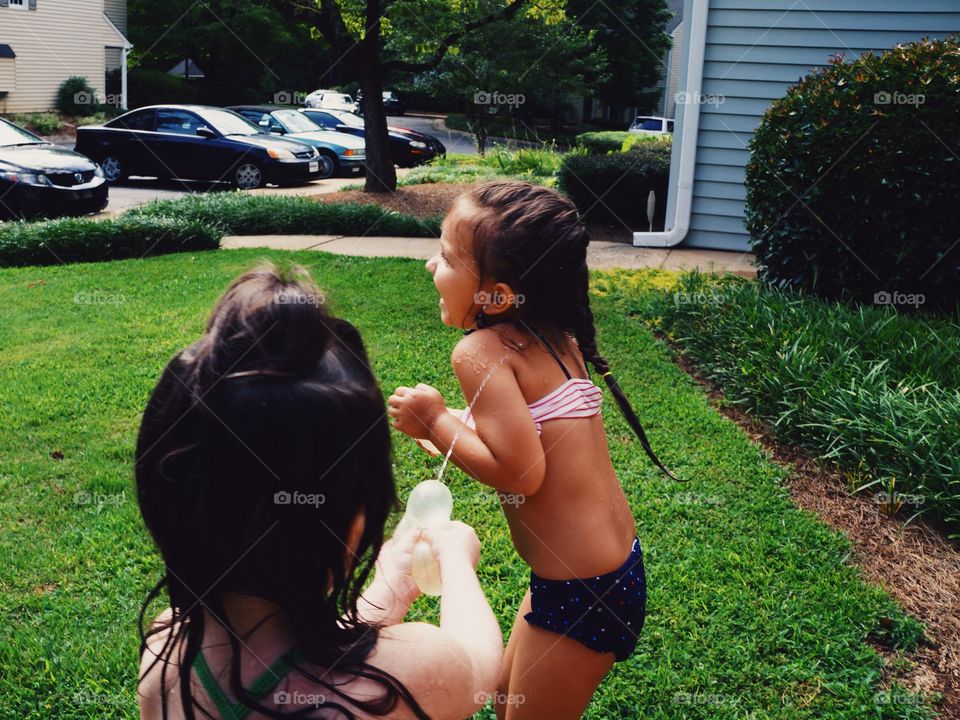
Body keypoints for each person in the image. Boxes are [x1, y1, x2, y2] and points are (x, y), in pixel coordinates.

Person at [135, 262, 502, 720]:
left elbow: (314, 652)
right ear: (352, 519)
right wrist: (456, 562)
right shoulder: (403, 675)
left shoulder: (166, 654)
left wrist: (390, 580)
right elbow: (478, 663)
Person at [388, 181, 675, 719]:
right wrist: (450, 425)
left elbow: (521, 473)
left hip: (580, 588)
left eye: (447, 257)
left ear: (496, 296)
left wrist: (432, 417)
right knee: (506, 701)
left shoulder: (479, 350)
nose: (432, 266)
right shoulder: (555, 338)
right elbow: (530, 428)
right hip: (603, 575)